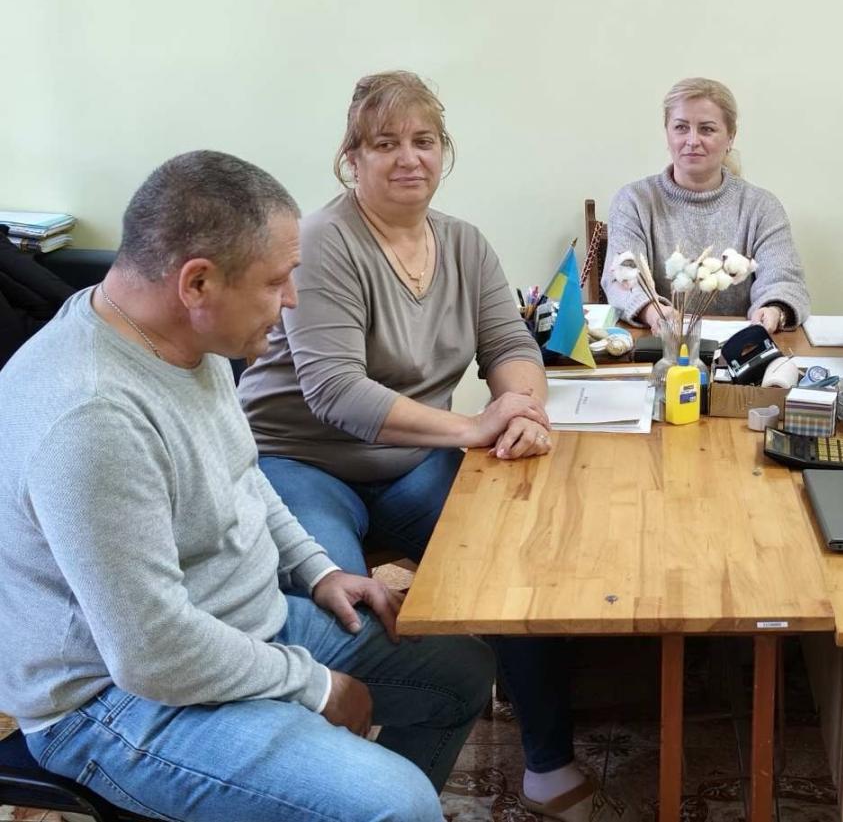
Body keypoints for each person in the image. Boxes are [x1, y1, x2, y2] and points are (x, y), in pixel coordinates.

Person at [0, 150, 492, 822]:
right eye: (276, 281)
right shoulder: (93, 417)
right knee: (393, 804)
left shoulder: (183, 340)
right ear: (198, 283)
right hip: (114, 699)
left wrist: (319, 571)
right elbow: (154, 654)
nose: (291, 300)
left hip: (231, 623)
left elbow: (243, 474)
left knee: (460, 673)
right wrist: (314, 686)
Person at [237, 71, 592, 820]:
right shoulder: (324, 240)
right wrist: (472, 428)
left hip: (409, 462)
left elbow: (510, 343)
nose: (409, 158)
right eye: (385, 143)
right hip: (297, 460)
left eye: (424, 141)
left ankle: (542, 760)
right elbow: (335, 391)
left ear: (444, 151)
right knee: (347, 624)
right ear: (352, 158)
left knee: (515, 560)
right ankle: (341, 786)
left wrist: (521, 406)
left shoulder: (463, 242)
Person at [601, 76, 810, 334]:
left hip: (741, 347)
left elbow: (785, 280)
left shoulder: (762, 207)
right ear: (667, 133)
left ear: (730, 137)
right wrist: (656, 314)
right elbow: (621, 279)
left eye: (707, 129)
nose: (692, 140)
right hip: (661, 343)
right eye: (680, 127)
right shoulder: (634, 201)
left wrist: (774, 310)